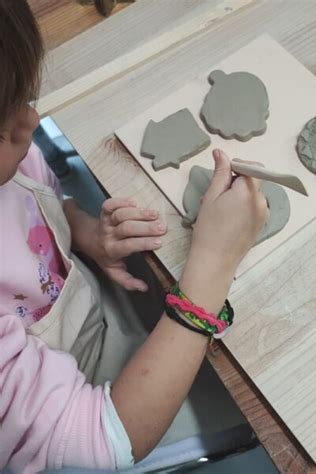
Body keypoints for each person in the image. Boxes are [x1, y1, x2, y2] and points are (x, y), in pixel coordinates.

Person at [0, 1, 268, 472]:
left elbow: (39, 191)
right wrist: (212, 268)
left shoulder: (15, 149)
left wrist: (80, 230)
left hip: (86, 311)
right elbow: (106, 442)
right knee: (256, 400)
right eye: (3, 129)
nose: (33, 123)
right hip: (80, 412)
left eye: (21, 98)